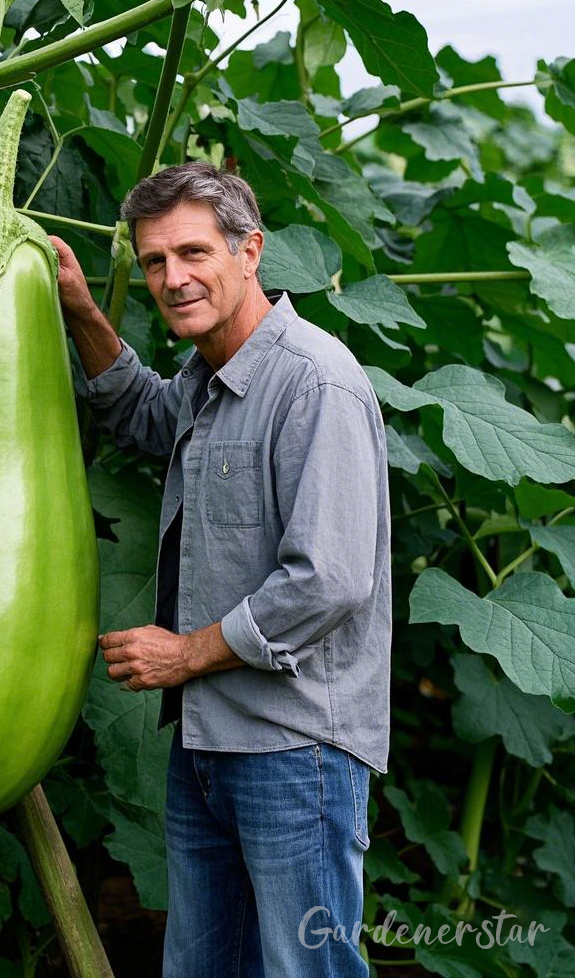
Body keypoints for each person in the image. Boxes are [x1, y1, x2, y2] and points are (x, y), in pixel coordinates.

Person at [49, 162, 391, 978]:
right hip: (207, 744)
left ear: (250, 252)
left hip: (295, 750)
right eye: (155, 261)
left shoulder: (315, 383)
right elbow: (139, 413)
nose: (174, 278)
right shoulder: (208, 379)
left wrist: (184, 654)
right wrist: (80, 310)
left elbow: (330, 581)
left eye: (194, 253)